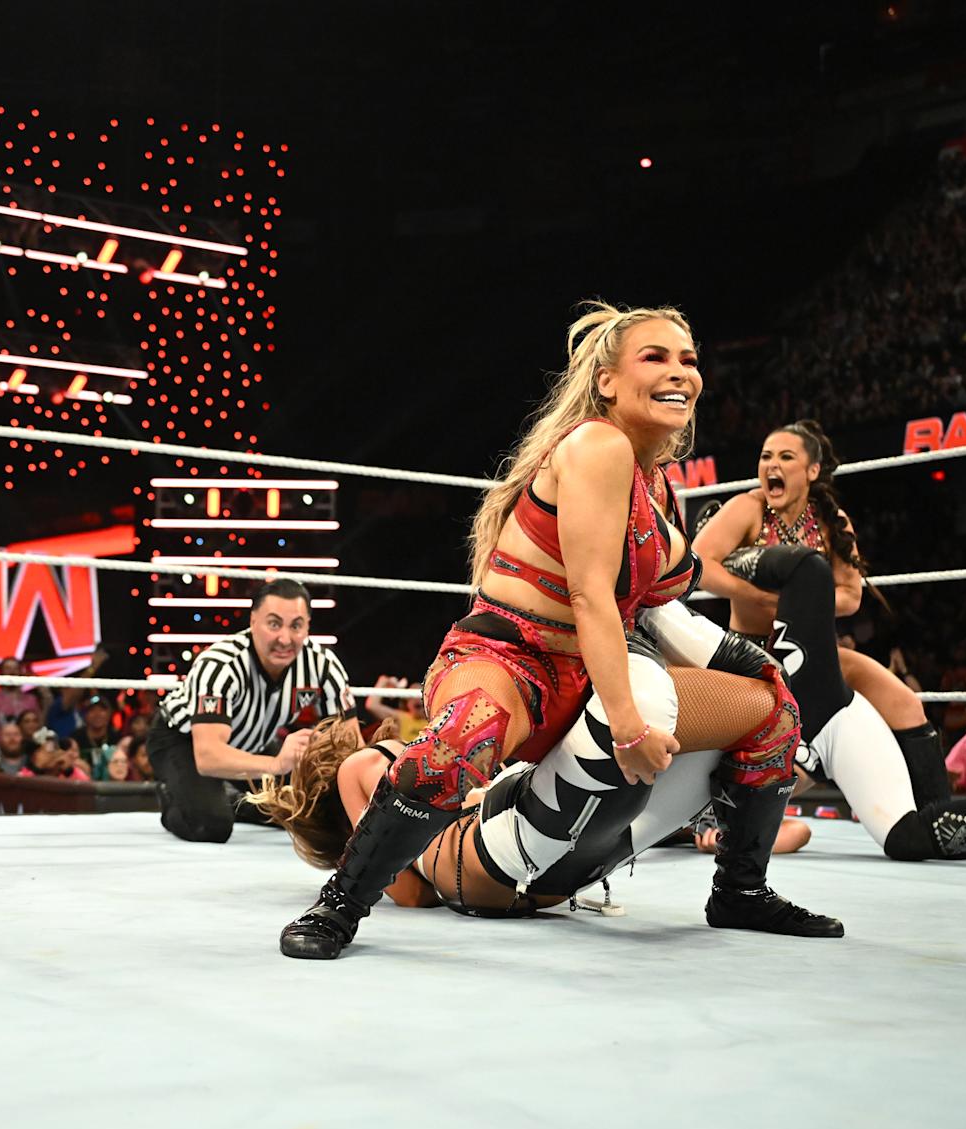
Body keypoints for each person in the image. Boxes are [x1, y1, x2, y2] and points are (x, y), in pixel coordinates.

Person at [279, 302, 835, 960]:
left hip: (583, 676)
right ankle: (340, 905)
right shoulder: (597, 445)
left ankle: (741, 889)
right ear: (606, 380)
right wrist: (628, 728)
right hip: (510, 659)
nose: (681, 371)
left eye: (689, 358)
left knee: (771, 712)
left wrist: (780, 610)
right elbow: (590, 593)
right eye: (654, 356)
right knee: (467, 734)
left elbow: (682, 585)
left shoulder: (653, 489)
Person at [692, 420, 966, 867]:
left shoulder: (830, 522)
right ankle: (948, 827)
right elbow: (698, 563)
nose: (772, 464)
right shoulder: (746, 509)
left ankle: (941, 821)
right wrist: (767, 598)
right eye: (766, 456)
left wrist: (801, 602)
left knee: (905, 703)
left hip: (813, 649)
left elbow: (851, 596)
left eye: (785, 457)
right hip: (754, 654)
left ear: (812, 470)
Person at [255, 597, 810, 920]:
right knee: (741, 712)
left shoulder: (380, 772)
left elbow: (416, 895)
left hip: (543, 873)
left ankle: (739, 887)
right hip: (503, 843)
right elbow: (402, 889)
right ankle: (625, 631)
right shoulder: (363, 767)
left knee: (762, 715)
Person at [149, 578, 353, 843]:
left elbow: (350, 743)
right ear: (253, 621)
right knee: (210, 825)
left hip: (253, 743)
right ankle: (172, 794)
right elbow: (208, 756)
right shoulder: (221, 664)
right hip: (183, 742)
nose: (285, 638)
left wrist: (318, 756)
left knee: (309, 813)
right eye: (274, 623)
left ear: (308, 626)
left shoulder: (322, 665)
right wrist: (278, 764)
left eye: (296, 626)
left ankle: (240, 802)